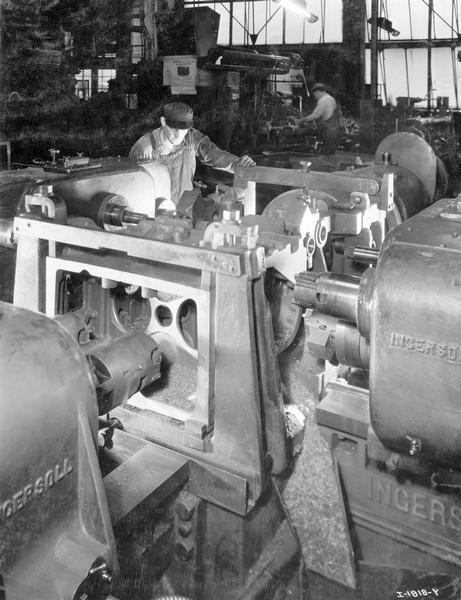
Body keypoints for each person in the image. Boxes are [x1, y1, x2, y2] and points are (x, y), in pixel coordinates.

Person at [129, 102, 256, 202]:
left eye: (183, 129)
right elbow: (133, 188)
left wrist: (239, 164)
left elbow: (216, 156)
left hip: (187, 209)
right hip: (156, 213)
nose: (178, 135)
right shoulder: (145, 149)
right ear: (163, 122)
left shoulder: (192, 138)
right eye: (173, 128)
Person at [293, 83, 342, 156]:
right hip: (335, 127)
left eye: (315, 94)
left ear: (318, 92)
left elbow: (316, 115)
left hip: (330, 129)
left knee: (328, 151)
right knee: (332, 150)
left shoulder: (324, 100)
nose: (315, 96)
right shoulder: (330, 98)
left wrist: (302, 120)